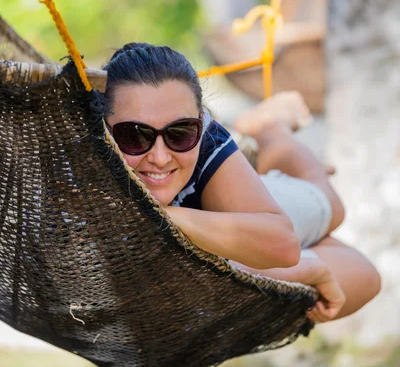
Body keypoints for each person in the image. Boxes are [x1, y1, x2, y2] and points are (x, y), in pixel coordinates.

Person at [104, 42, 381, 324]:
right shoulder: (84, 172)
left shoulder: (206, 141)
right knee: (362, 275)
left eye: (180, 132)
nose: (160, 157)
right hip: (228, 241)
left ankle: (270, 128)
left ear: (201, 123)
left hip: (237, 213)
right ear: (103, 129)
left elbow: (284, 246)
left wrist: (161, 216)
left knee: (332, 207)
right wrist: (300, 271)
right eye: (134, 135)